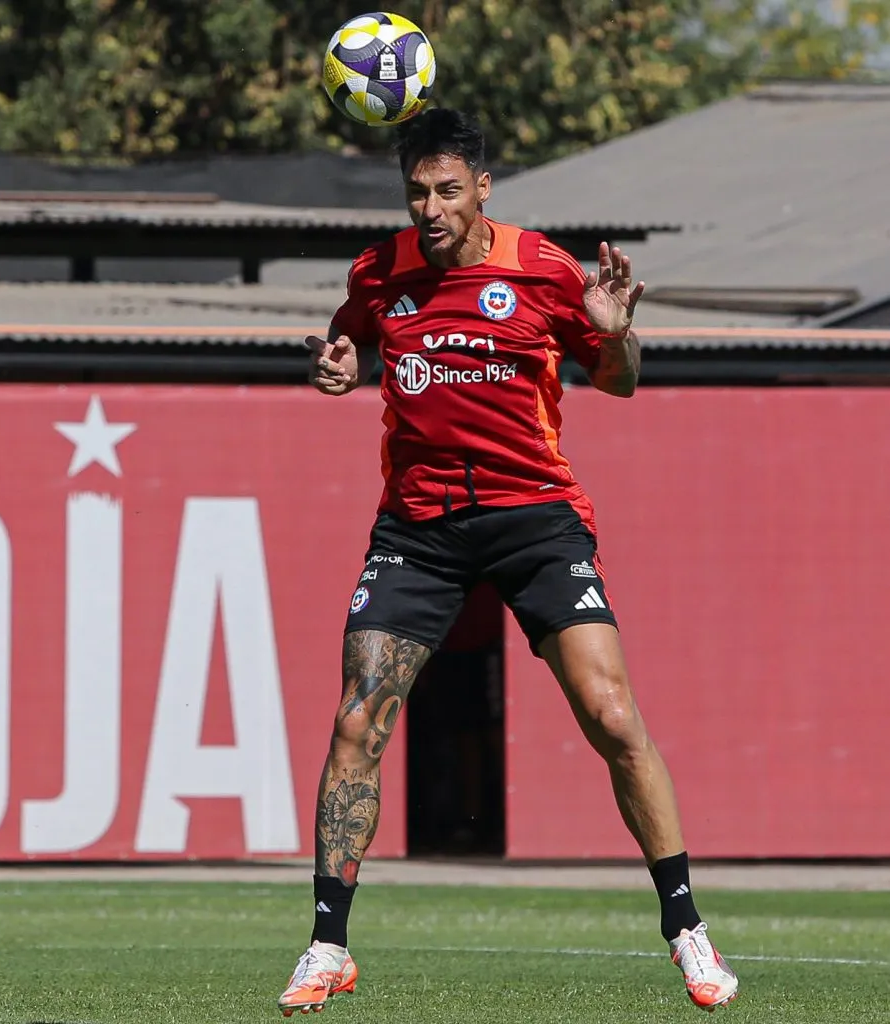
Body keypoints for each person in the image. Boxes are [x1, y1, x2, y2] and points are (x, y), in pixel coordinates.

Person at [277, 107, 739, 1016]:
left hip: (534, 519)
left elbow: (619, 382)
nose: (431, 207)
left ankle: (686, 926)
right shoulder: (378, 275)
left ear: (483, 189)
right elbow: (346, 349)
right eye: (417, 191)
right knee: (355, 725)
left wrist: (611, 333)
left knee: (610, 715)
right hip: (417, 530)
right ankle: (327, 945)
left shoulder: (541, 270)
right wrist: (333, 369)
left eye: (448, 190)